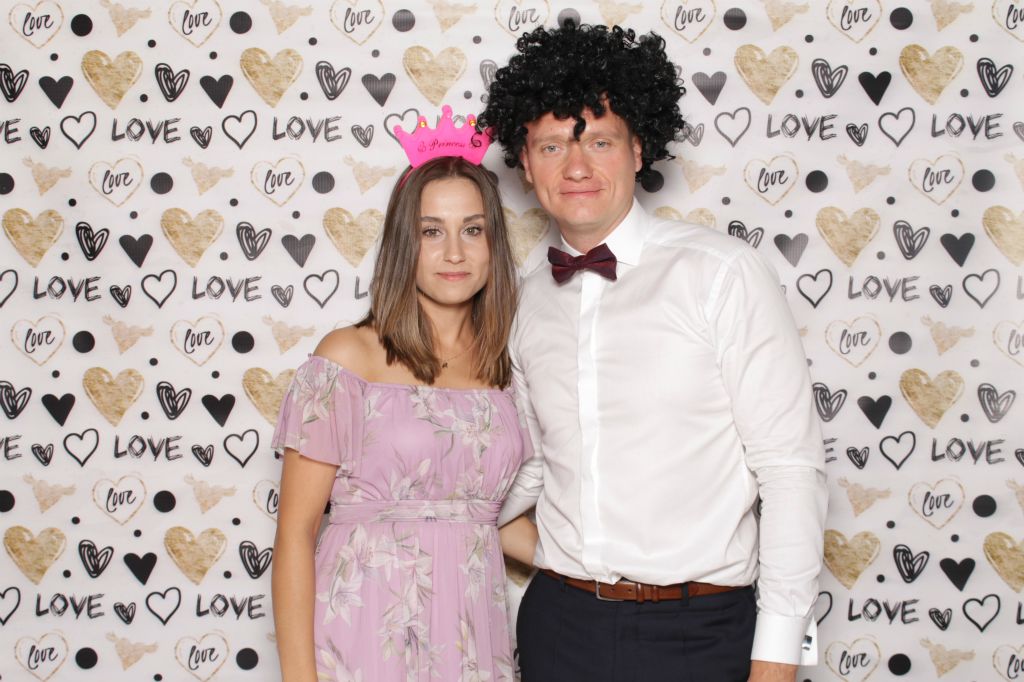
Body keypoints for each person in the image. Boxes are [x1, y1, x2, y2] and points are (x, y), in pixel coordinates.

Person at [482, 22, 828, 682]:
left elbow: (790, 470)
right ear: (525, 164)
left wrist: (777, 658)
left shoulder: (722, 274)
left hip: (701, 632)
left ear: (638, 148)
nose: (576, 167)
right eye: (551, 146)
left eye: (600, 141)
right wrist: (436, 515)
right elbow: (531, 465)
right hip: (558, 625)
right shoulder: (526, 301)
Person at [270, 107, 538, 682]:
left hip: (472, 638)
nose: (454, 253)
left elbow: (480, 516)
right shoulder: (347, 358)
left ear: (493, 243)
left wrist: (600, 563)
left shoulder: (507, 370)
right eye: (431, 231)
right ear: (402, 243)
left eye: (473, 229)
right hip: (362, 635)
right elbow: (295, 534)